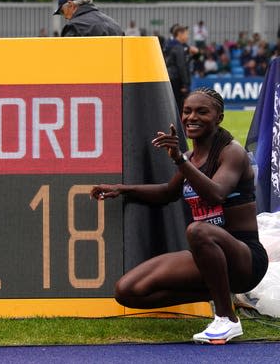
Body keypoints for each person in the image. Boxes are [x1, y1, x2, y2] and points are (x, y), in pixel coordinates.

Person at [90, 88, 268, 344]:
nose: (191, 117)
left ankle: (226, 319)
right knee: (127, 291)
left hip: (245, 259)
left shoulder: (232, 153)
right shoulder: (190, 158)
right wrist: (122, 189)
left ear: (219, 117)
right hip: (207, 255)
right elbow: (167, 193)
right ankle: (220, 293)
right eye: (187, 111)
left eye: (201, 111)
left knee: (197, 230)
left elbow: (216, 194)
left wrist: (180, 162)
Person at [53, 0, 123, 37]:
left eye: (62, 11)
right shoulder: (115, 26)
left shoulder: (75, 27)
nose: (65, 17)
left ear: (71, 5)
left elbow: (66, 54)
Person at [166, 25, 196, 113]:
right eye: (186, 34)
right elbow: (181, 66)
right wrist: (185, 84)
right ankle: (179, 126)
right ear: (179, 34)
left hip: (171, 77)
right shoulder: (178, 47)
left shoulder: (170, 45)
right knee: (180, 107)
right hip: (177, 80)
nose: (187, 37)